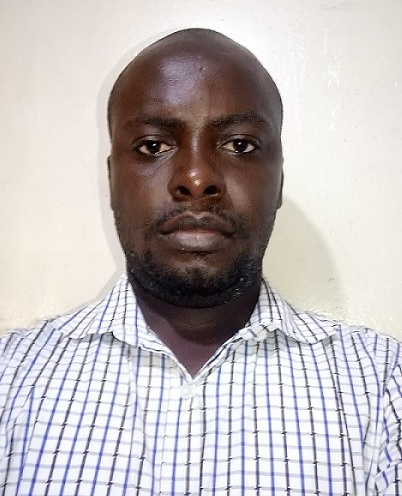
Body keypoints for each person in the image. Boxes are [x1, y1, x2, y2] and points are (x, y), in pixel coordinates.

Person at [0, 28, 400, 496]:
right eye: (153, 145)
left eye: (240, 145)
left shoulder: (383, 387)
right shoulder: (10, 378)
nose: (196, 178)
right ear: (112, 180)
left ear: (278, 180)